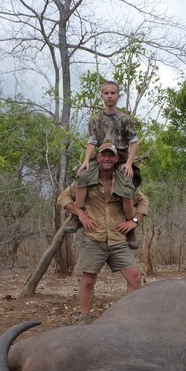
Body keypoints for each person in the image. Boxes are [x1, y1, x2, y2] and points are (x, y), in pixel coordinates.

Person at [58, 142, 149, 324]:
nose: (107, 158)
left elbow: (143, 201)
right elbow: (64, 198)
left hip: (117, 238)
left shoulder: (123, 180)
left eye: (111, 155)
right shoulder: (86, 178)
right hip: (94, 237)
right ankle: (84, 317)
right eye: (103, 155)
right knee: (88, 279)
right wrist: (81, 214)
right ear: (98, 157)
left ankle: (129, 317)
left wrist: (134, 221)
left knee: (135, 278)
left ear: (116, 159)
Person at [64, 81, 141, 249]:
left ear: (118, 96)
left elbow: (134, 142)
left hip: (119, 159)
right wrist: (86, 160)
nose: (109, 96)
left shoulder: (124, 119)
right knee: (82, 175)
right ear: (101, 96)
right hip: (102, 156)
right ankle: (77, 216)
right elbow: (92, 141)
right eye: (106, 93)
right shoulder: (95, 119)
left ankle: (130, 228)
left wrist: (129, 163)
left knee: (127, 186)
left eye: (113, 93)